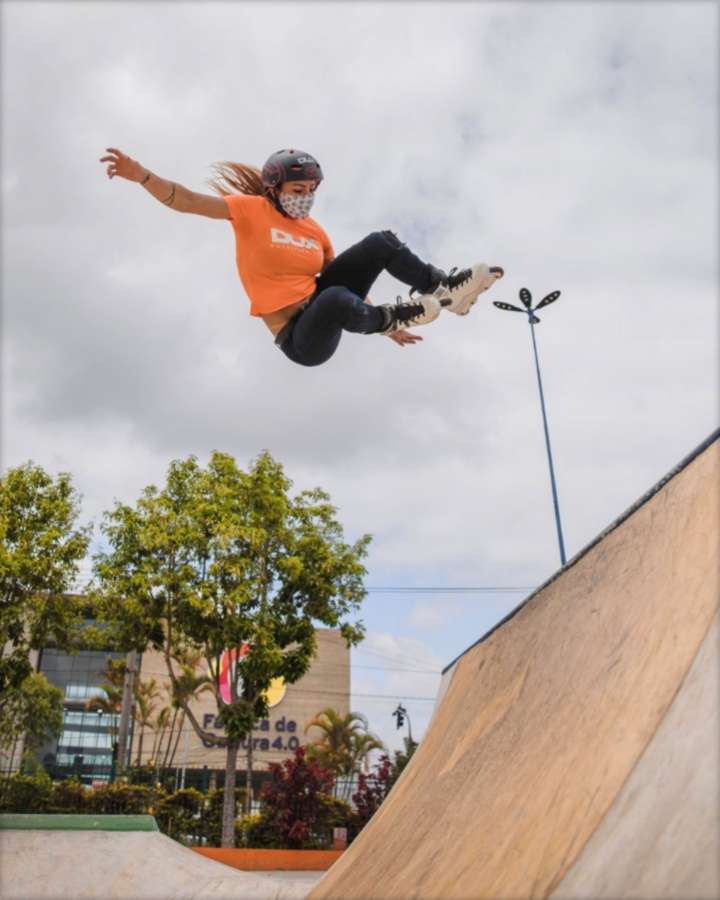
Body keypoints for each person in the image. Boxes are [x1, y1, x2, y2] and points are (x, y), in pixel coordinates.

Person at [99, 147, 504, 367]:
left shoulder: (315, 233)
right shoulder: (248, 210)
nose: (305, 198)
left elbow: (346, 287)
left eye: (312, 189)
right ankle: (396, 313)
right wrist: (142, 176)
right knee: (330, 300)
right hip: (301, 340)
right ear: (274, 188)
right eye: (297, 190)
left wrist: (383, 329)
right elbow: (185, 201)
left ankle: (445, 289)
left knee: (380, 242)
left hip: (335, 304)